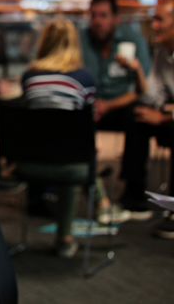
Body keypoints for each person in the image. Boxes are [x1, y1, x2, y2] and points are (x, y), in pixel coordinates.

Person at [19, 19, 130, 258]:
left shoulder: (29, 77)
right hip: (71, 165)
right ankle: (94, 213)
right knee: (75, 150)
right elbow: (86, 124)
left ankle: (94, 214)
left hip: (28, 163)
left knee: (65, 147)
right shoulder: (83, 78)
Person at [79, 0, 151, 217]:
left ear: (116, 18)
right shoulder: (82, 39)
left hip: (121, 105)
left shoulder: (133, 40)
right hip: (89, 104)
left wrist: (108, 105)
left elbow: (141, 88)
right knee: (69, 115)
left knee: (138, 115)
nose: (97, 21)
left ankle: (134, 191)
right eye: (93, 16)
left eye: (103, 16)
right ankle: (69, 184)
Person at [126, 0, 174, 239]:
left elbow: (161, 109)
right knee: (138, 116)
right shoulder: (162, 53)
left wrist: (164, 117)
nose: (153, 25)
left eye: (159, 19)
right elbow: (151, 95)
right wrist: (136, 71)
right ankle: (134, 198)